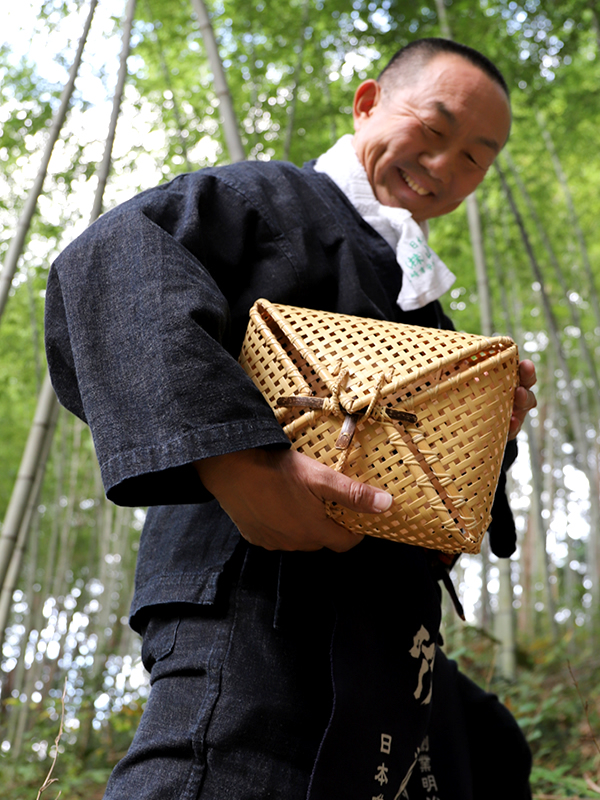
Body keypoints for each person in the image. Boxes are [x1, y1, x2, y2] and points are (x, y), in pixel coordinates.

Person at [45, 37, 537, 800]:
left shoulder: (425, 303)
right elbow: (114, 256)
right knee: (231, 772)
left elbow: (432, 480)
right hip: (254, 582)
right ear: (368, 101)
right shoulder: (269, 197)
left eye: (476, 157)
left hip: (386, 618)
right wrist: (235, 462)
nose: (445, 167)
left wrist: (487, 435)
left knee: (491, 751)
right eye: (434, 132)